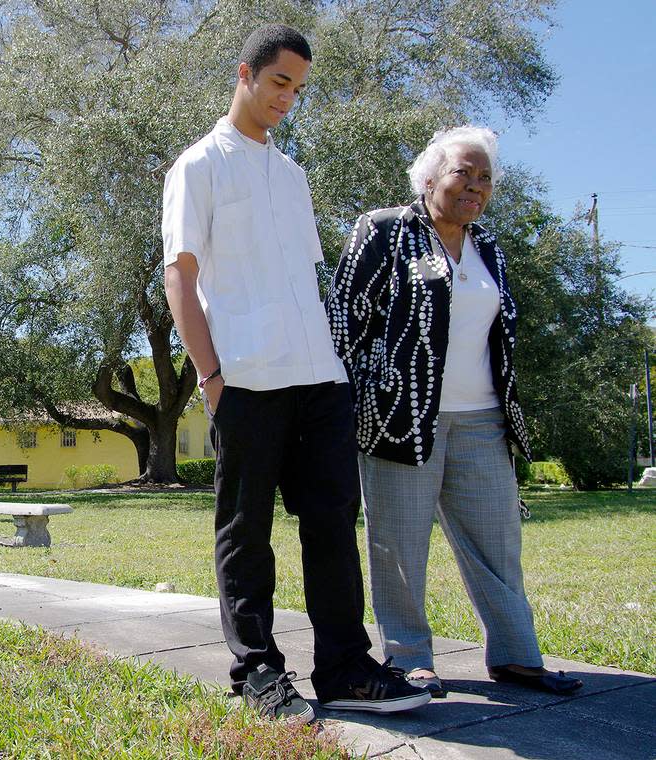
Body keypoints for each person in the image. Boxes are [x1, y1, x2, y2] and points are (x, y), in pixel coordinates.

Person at [161, 24, 430, 723]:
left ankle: (344, 668)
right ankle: (256, 671)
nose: (288, 98)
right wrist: (210, 376)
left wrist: (336, 369)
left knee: (334, 526)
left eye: (298, 89)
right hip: (245, 379)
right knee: (246, 532)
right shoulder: (197, 166)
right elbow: (180, 277)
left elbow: (300, 281)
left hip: (320, 378)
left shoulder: (291, 174)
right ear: (244, 74)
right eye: (279, 82)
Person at [325, 126, 583, 698]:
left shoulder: (488, 246)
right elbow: (342, 317)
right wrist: (358, 396)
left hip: (483, 419)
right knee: (399, 548)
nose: (475, 185)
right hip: (401, 420)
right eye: (462, 172)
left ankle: (517, 656)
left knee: (497, 544)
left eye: (485, 177)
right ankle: (410, 659)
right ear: (429, 177)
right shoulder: (385, 230)